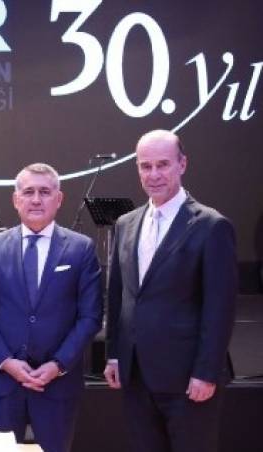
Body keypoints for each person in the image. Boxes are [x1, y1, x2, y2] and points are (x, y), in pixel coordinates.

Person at [103, 130, 237, 452]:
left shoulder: (211, 226)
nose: (154, 175)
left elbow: (219, 309)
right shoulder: (125, 224)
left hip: (188, 380)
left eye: (162, 164)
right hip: (136, 377)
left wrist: (206, 372)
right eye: (145, 166)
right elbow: (118, 296)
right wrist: (114, 355)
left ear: (182, 164)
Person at [0, 163, 102, 452]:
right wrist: (6, 361)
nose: (36, 199)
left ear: (59, 198)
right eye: (28, 192)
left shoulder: (81, 248)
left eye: (45, 192)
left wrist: (58, 365)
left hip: (58, 384)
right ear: (16, 199)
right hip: (4, 383)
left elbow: (90, 316)